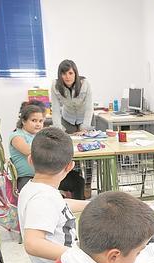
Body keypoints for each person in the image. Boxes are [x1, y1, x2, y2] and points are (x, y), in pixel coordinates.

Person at [17, 127, 88, 263]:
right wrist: (80, 256)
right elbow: (33, 243)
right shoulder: (43, 198)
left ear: (30, 160)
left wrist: (91, 204)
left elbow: (59, 206)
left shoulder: (37, 188)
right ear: (70, 167)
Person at [9, 102, 85, 199]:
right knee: (74, 181)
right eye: (34, 120)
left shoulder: (36, 134)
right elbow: (33, 152)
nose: (38, 124)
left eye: (41, 121)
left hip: (46, 174)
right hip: (29, 178)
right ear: (23, 121)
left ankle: (76, 210)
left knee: (77, 180)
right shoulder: (17, 136)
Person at [50, 59, 94, 198]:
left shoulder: (85, 84)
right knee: (70, 152)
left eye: (70, 73)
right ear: (60, 75)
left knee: (88, 154)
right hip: (67, 119)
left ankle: (87, 183)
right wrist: (58, 129)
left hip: (83, 119)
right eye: (64, 73)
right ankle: (74, 183)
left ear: (75, 73)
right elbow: (56, 110)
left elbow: (89, 108)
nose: (67, 76)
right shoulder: (55, 86)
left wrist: (85, 128)